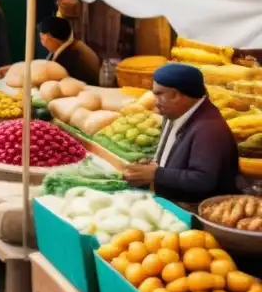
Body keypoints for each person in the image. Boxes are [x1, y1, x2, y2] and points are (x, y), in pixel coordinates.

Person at [123, 63, 239, 204]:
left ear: (176, 96)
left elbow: (203, 180)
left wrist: (156, 174)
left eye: (159, 94)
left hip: (195, 213)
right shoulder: (174, 113)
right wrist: (150, 166)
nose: (156, 102)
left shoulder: (209, 130)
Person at [36, 16, 100, 85]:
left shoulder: (67, 57)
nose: (41, 40)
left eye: (42, 37)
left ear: (50, 37)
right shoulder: (74, 44)